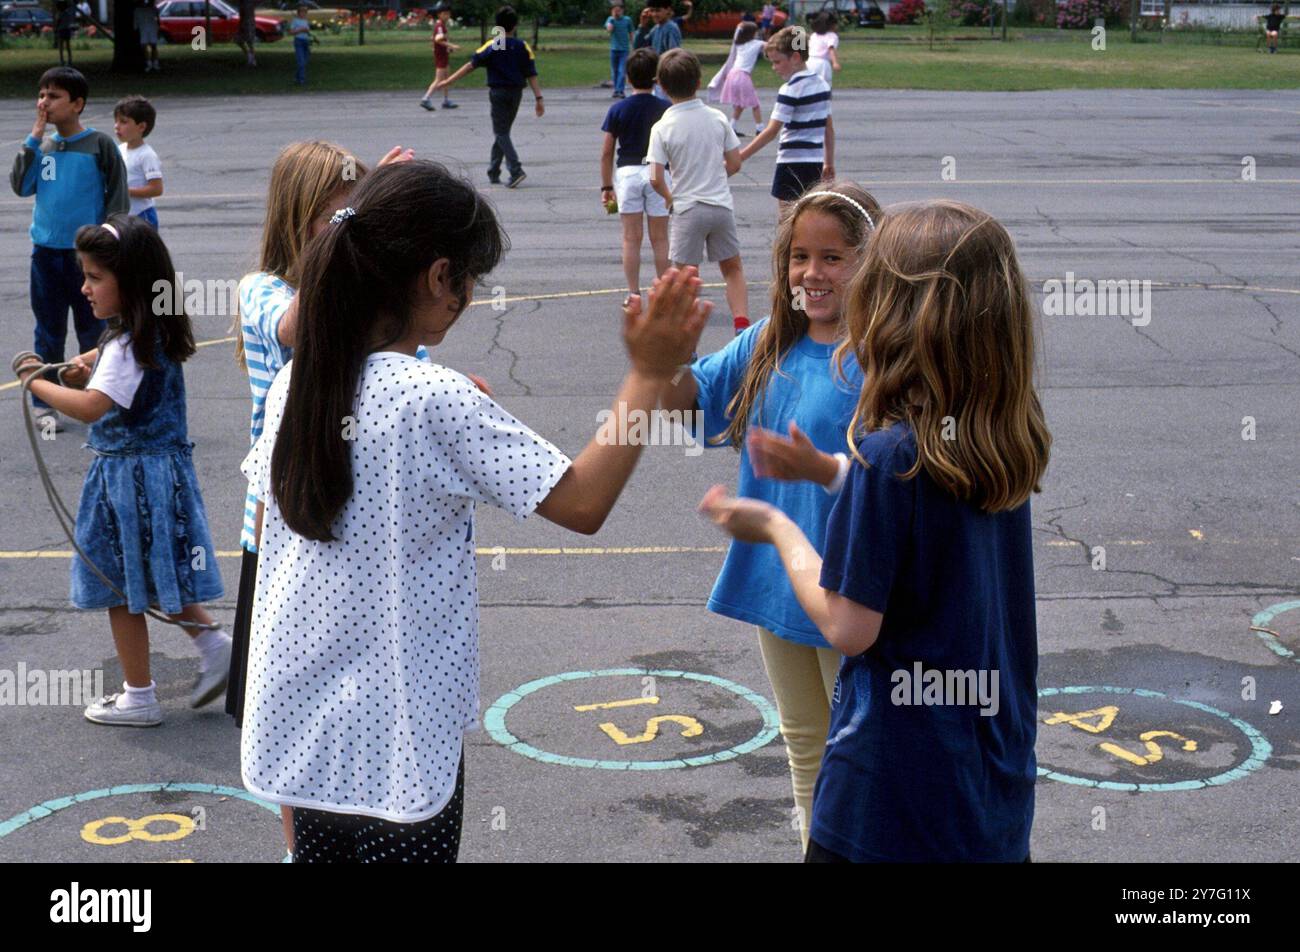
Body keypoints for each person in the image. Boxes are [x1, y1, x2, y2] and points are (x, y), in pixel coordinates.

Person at [240, 159, 710, 862]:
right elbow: (583, 500)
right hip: (402, 743)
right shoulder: (433, 400)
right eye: (469, 280)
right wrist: (646, 376)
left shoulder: (297, 385)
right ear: (437, 278)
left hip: (307, 741)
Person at [699, 200, 1052, 862]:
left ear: (893, 308)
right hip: (990, 786)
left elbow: (848, 625)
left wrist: (777, 527)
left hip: (886, 806)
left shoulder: (891, 455)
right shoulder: (1001, 437)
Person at [659, 183, 880, 851]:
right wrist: (659, 353)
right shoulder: (766, 342)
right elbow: (686, 400)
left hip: (850, 592)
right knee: (806, 748)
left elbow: (901, 485)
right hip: (778, 583)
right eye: (799, 257)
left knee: (862, 761)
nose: (813, 273)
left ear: (872, 262)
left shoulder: (880, 357)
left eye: (834, 258)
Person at [15, 215, 230, 728]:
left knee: (119, 587)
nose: (83, 287)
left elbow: (91, 408)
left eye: (94, 278)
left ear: (128, 283)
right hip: (162, 476)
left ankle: (139, 696)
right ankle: (216, 647)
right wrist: (83, 363)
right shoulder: (149, 330)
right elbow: (101, 366)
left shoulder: (126, 345)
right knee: (160, 572)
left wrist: (34, 381)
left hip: (128, 482)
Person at [11, 67, 128, 432]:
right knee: (49, 332)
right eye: (42, 94)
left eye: (55, 96)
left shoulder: (99, 145)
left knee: (95, 331)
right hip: (45, 255)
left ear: (77, 104)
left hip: (86, 258)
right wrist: (33, 138)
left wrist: (110, 245)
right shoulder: (45, 148)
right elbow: (23, 186)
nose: (45, 102)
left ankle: (98, 400)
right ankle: (45, 402)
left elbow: (118, 200)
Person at [648, 49, 749, 335]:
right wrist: (717, 175)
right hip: (720, 206)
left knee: (685, 277)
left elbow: (655, 177)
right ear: (699, 80)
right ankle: (741, 325)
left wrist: (670, 198)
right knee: (733, 269)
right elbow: (735, 162)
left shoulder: (662, 127)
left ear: (662, 86)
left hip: (687, 208)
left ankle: (686, 339)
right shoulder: (717, 118)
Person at [432, 6, 544, 189]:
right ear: (515, 26)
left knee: (501, 132)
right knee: (503, 132)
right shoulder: (522, 46)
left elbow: (470, 65)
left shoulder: (493, 45)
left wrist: (449, 81)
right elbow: (531, 74)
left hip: (498, 93)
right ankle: (493, 171)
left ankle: (516, 169)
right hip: (516, 94)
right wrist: (539, 98)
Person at [600, 48, 670, 297]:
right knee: (660, 238)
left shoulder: (618, 109)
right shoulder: (665, 108)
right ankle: (663, 293)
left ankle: (633, 293)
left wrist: (607, 186)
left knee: (631, 238)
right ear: (656, 78)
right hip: (657, 172)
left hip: (628, 173)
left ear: (627, 78)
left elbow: (607, 152)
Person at [739, 26, 834, 208]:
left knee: (786, 220)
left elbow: (771, 131)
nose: (774, 68)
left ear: (796, 57)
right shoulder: (822, 85)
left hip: (791, 163)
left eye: (777, 62)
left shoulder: (790, 89)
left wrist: (741, 156)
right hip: (814, 163)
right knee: (809, 216)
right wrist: (828, 162)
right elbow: (828, 128)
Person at [707, 20, 766, 137]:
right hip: (742, 75)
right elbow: (770, 45)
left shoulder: (739, 44)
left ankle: (732, 126)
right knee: (755, 104)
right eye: (755, 32)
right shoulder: (757, 43)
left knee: (740, 104)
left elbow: (737, 34)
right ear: (751, 33)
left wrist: (740, 27)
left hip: (732, 74)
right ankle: (760, 128)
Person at [113, 96, 163, 230]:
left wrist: (126, 191)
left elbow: (156, 189)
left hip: (142, 215)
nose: (117, 126)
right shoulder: (120, 149)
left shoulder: (146, 155)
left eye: (123, 122)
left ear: (141, 126)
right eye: (116, 121)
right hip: (124, 216)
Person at [420, 2, 460, 109]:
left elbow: (436, 40)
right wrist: (452, 45)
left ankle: (446, 100)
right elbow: (438, 40)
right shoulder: (440, 26)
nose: (447, 16)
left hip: (443, 55)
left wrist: (448, 48)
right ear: (439, 14)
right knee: (438, 79)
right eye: (445, 14)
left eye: (448, 14)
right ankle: (426, 98)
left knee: (447, 78)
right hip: (441, 57)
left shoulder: (441, 26)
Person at [605, 2, 634, 97]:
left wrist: (632, 44)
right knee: (615, 71)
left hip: (624, 49)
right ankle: (616, 90)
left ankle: (620, 90)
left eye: (618, 10)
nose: (617, 12)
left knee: (622, 71)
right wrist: (612, 20)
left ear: (622, 11)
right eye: (614, 10)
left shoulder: (627, 20)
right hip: (614, 49)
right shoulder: (610, 19)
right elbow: (609, 29)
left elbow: (631, 32)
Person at [807, 11, 841, 88]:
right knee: (824, 83)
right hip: (822, 63)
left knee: (810, 82)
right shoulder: (832, 36)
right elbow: (831, 49)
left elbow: (809, 47)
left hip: (809, 61)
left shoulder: (814, 35)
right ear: (832, 25)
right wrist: (835, 63)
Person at [134, 0, 161, 72]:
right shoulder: (137, 10)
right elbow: (135, 21)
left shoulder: (153, 9)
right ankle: (149, 63)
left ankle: (155, 63)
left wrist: (158, 28)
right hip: (143, 29)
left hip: (152, 28)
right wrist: (136, 27)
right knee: (144, 46)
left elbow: (158, 19)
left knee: (153, 46)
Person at [289, 5, 313, 85]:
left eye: (305, 12)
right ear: (298, 13)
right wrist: (300, 29)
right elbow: (291, 32)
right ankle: (301, 80)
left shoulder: (305, 21)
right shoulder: (295, 21)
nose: (304, 14)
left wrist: (308, 33)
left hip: (306, 41)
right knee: (301, 62)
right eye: (302, 12)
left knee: (305, 60)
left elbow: (307, 31)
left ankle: (296, 77)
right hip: (298, 41)